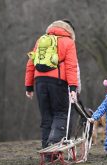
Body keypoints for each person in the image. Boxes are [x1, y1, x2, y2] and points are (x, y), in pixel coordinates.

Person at [25, 20, 79, 149]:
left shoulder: (41, 40)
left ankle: (45, 149)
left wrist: (29, 86)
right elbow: (72, 66)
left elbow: (31, 63)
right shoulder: (68, 42)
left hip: (39, 81)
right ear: (68, 30)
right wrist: (73, 87)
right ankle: (53, 146)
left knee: (46, 116)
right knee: (60, 113)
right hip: (58, 82)